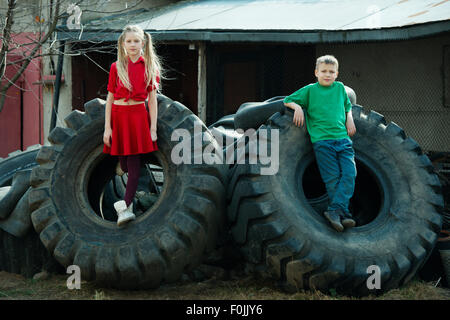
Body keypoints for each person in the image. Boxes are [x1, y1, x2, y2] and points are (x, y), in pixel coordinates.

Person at [283, 55, 357, 232]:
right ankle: (342, 213)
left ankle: (336, 211)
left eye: (331, 72)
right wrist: (299, 107)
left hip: (343, 140)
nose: (327, 74)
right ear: (316, 72)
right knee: (332, 178)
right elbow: (287, 100)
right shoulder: (310, 90)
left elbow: (347, 106)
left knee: (349, 173)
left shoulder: (339, 88)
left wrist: (350, 119)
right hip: (322, 142)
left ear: (337, 74)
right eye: (324, 71)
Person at [103, 25, 162, 226]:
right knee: (125, 164)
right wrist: (107, 128)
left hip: (137, 115)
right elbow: (109, 99)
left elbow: (152, 101)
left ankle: (125, 207)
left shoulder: (149, 67)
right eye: (129, 41)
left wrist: (152, 128)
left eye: (136, 41)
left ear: (143, 43)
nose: (133, 45)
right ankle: (122, 166)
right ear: (123, 43)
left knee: (135, 164)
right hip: (119, 116)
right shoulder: (116, 67)